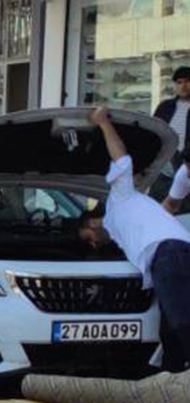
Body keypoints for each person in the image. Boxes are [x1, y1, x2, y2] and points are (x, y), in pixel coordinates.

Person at [80, 106, 190, 372]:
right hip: (174, 254)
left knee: (181, 324)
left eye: (89, 237)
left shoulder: (121, 199)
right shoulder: (125, 226)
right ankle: (171, 383)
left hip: (169, 255)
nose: (93, 243)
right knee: (170, 335)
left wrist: (103, 123)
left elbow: (122, 160)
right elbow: (166, 211)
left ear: (93, 220)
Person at [153, 66, 190, 166]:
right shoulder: (165, 106)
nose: (183, 86)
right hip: (166, 158)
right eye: (179, 82)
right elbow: (154, 131)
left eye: (187, 81)